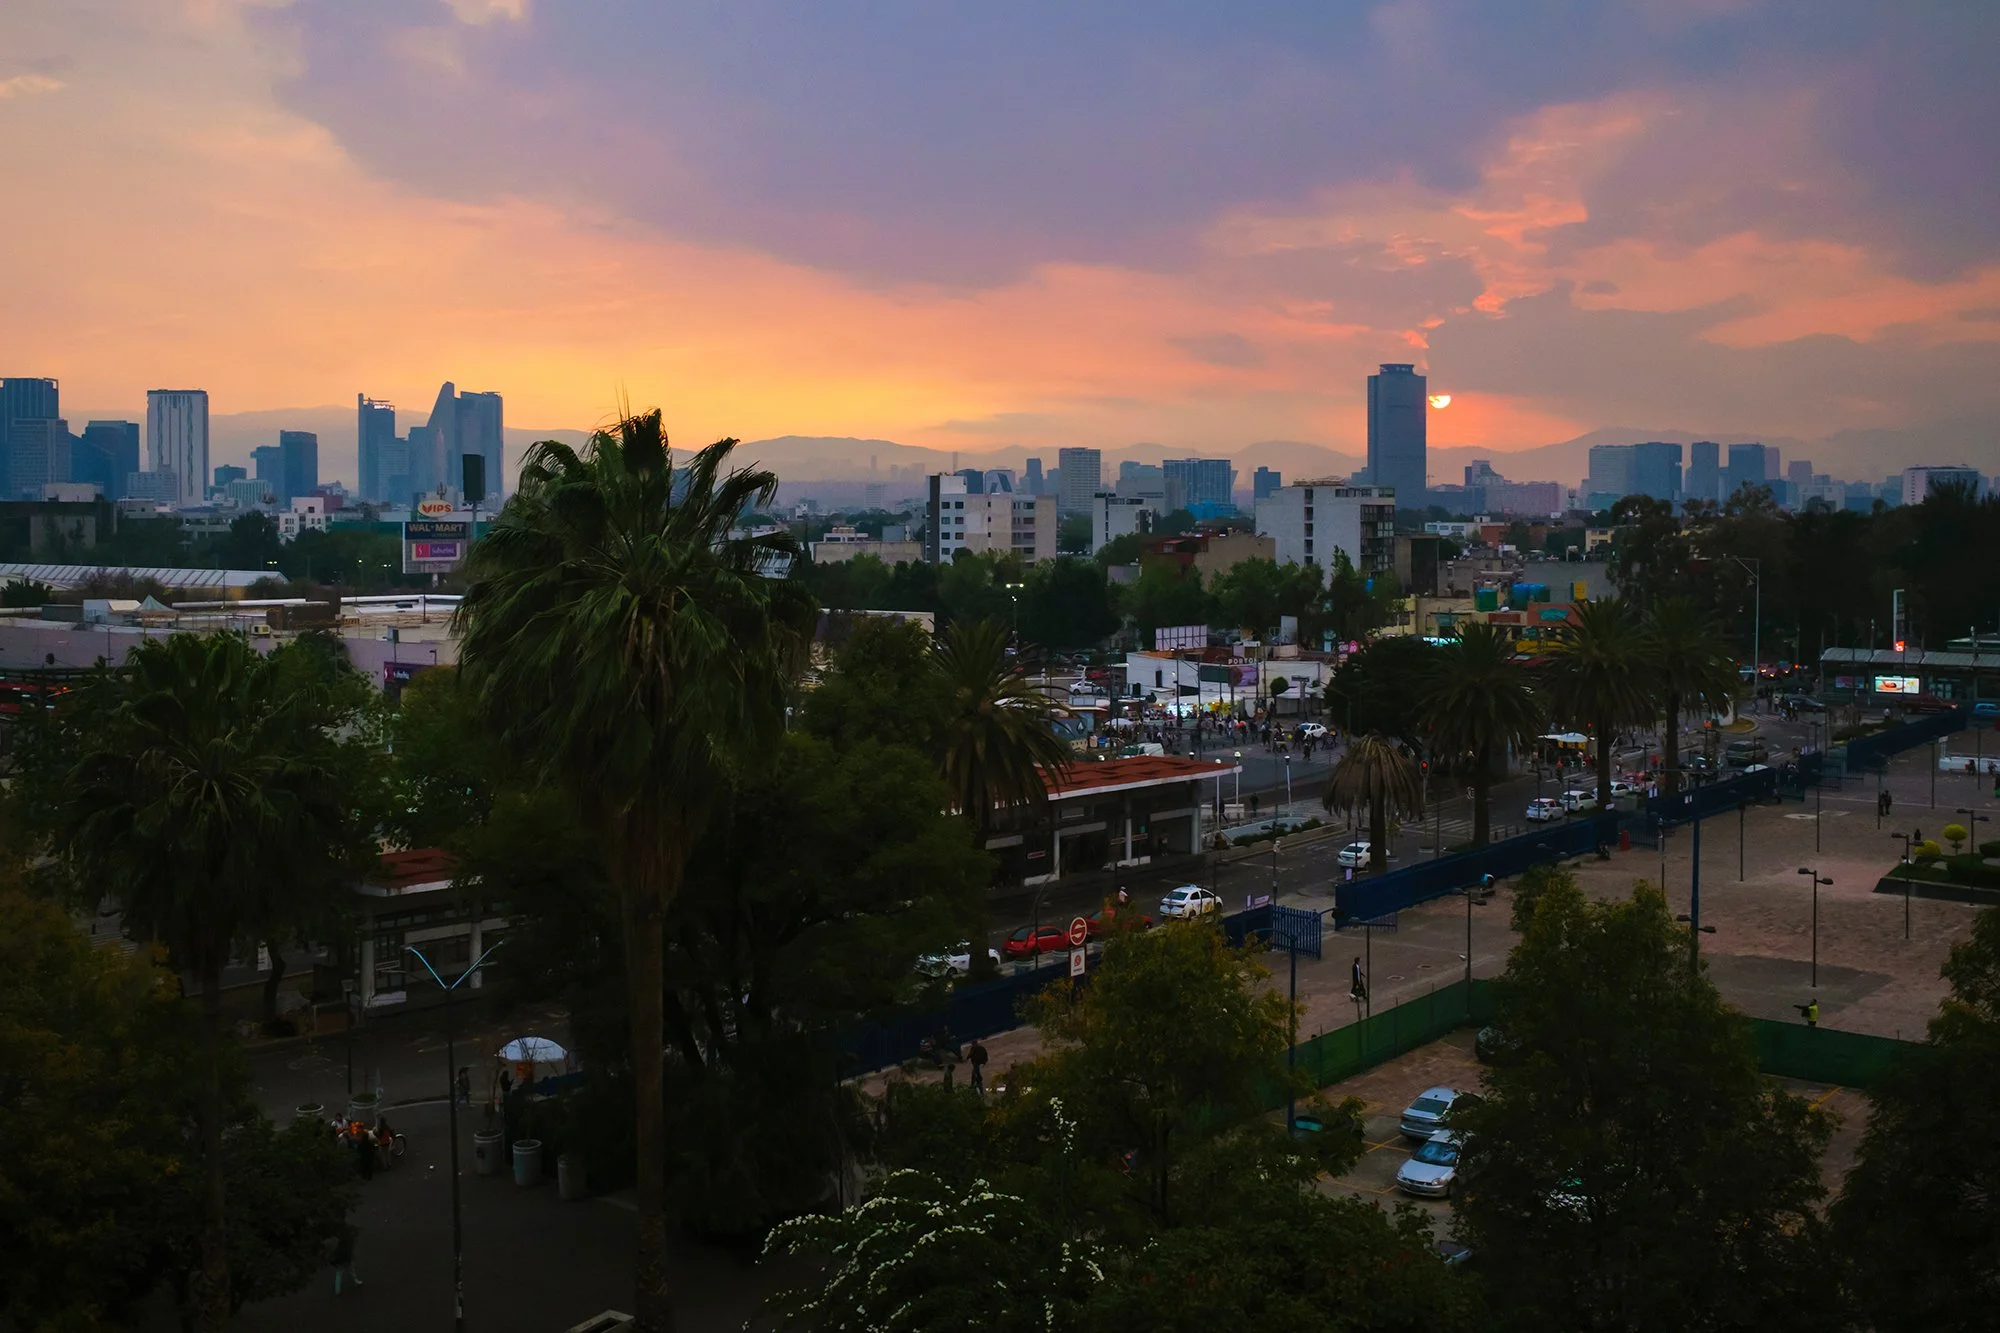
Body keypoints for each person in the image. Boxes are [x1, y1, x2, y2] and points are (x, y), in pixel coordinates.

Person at [330, 1222, 361, 1294]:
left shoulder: (339, 1242)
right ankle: (356, 1281)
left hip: (339, 1259)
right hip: (346, 1259)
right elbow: (349, 1251)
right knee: (351, 1270)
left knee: (339, 1274)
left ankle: (337, 1290)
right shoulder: (349, 1242)